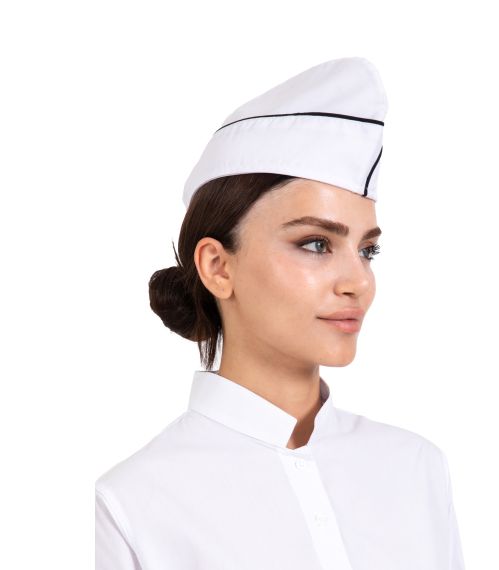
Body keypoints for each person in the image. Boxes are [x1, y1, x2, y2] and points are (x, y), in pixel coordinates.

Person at [95, 57, 466, 569]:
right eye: (316, 244)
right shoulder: (132, 505)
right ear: (218, 266)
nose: (359, 281)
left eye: (367, 250)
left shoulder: (416, 468)